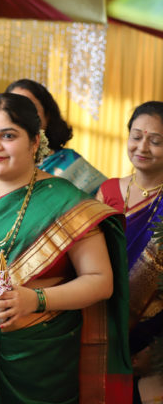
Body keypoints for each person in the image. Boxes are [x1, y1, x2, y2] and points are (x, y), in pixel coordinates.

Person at [0, 93, 132, 403]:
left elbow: (101, 281)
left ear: (35, 142)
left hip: (42, 361)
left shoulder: (66, 201)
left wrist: (36, 299)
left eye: (8, 136)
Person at [97, 101, 163, 404]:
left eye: (156, 140)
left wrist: (158, 347)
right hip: (99, 317)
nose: (142, 147)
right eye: (136, 137)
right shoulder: (107, 191)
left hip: (150, 331)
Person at [5, 78, 106, 194]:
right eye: (12, 110)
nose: (20, 116)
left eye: (29, 108)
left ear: (47, 115)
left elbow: (106, 201)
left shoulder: (71, 164)